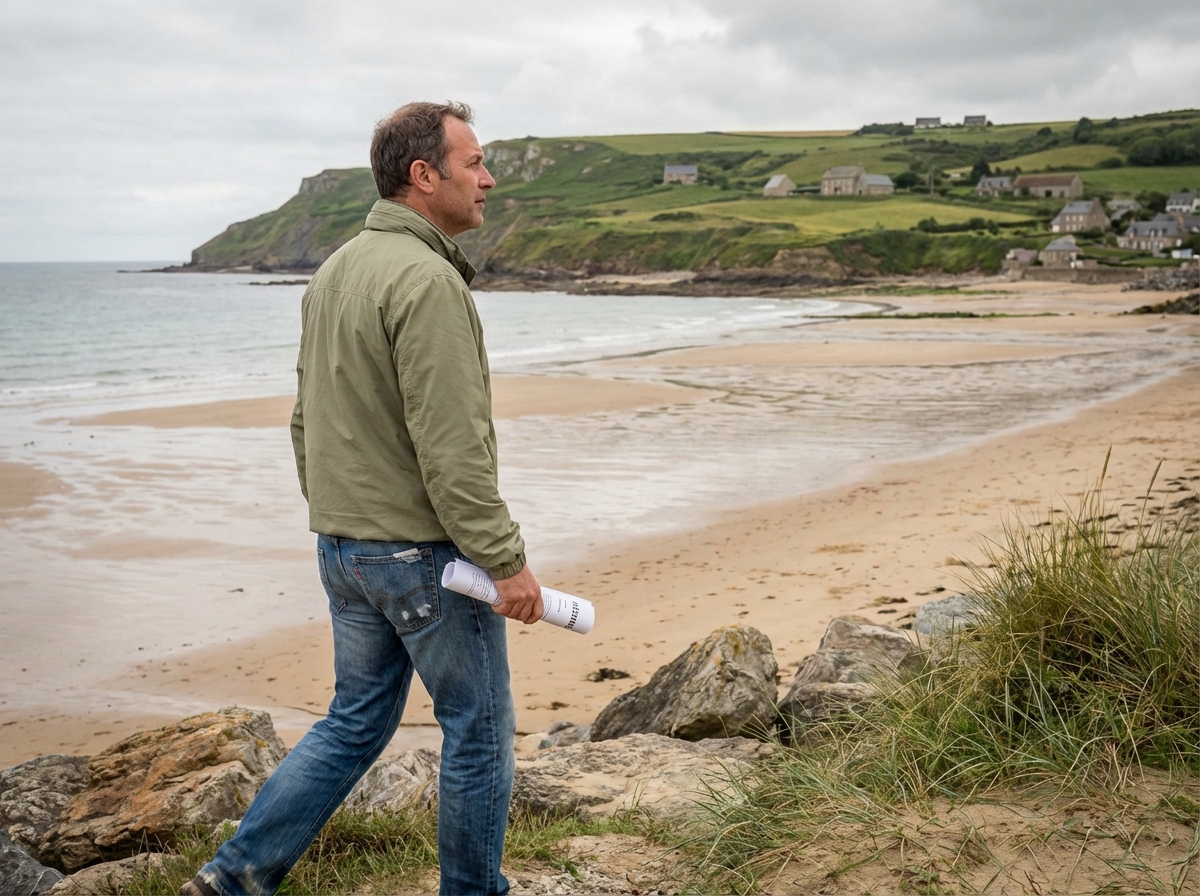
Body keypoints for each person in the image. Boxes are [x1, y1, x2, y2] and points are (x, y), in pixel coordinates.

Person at [183, 101, 541, 896]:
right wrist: (506, 562)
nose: (487, 181)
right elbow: (452, 453)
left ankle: (234, 878)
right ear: (425, 175)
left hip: (345, 547)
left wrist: (339, 528)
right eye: (474, 163)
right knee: (478, 730)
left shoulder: (337, 269)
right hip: (422, 557)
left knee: (353, 722)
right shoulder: (427, 280)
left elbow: (306, 419)